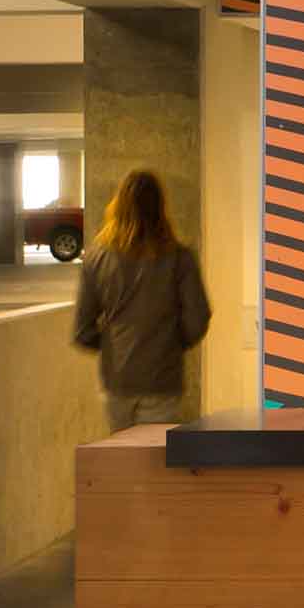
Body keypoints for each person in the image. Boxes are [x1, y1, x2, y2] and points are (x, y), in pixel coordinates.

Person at [73, 167, 211, 432]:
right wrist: (170, 344)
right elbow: (198, 319)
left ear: (118, 205)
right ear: (160, 208)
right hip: (162, 378)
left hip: (117, 379)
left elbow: (82, 330)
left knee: (121, 459)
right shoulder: (180, 258)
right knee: (153, 462)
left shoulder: (96, 257)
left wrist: (114, 346)